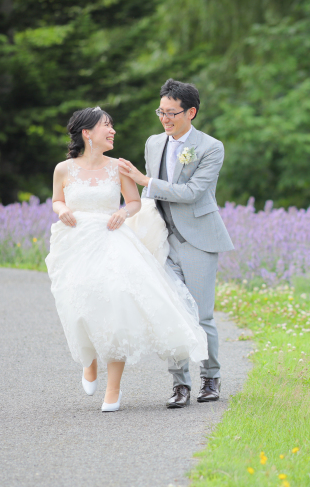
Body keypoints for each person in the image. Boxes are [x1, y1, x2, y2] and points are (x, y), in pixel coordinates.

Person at [46, 107, 208, 412]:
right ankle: (89, 361)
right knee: (80, 305)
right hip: (76, 243)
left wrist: (122, 212)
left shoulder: (118, 167)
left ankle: (114, 389)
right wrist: (61, 210)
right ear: (87, 133)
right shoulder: (63, 169)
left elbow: (134, 202)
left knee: (115, 305)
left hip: (111, 241)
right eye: (107, 126)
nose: (113, 131)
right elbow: (57, 198)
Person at [118, 79, 234, 408]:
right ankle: (180, 384)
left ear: (191, 112)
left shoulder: (212, 147)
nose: (165, 119)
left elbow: (193, 192)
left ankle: (210, 377)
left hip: (198, 240)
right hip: (162, 240)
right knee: (172, 310)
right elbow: (145, 195)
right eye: (161, 112)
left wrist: (147, 181)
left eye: (172, 113)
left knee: (202, 316)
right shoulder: (154, 143)